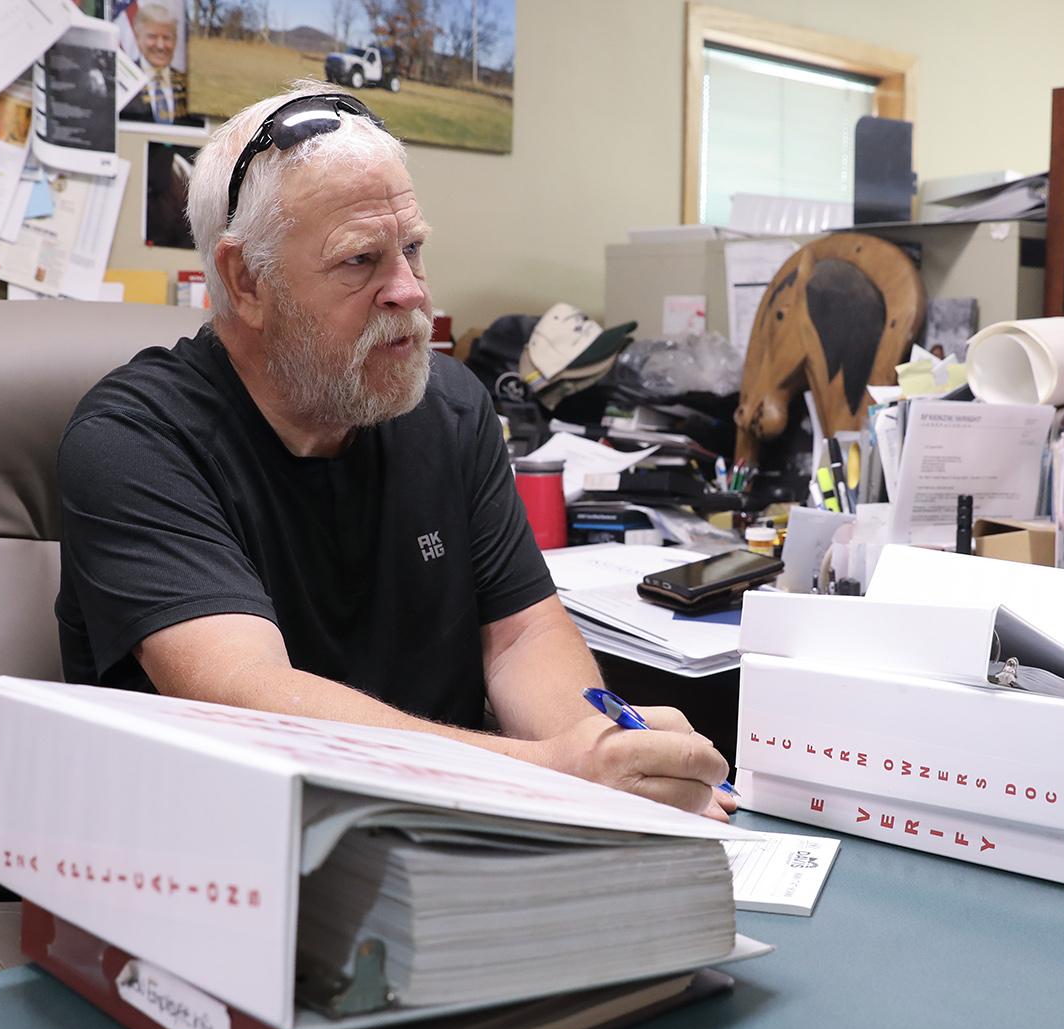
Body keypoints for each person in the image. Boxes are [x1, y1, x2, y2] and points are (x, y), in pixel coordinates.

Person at [55, 83, 734, 821]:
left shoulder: (446, 404)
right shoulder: (133, 442)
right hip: (218, 862)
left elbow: (521, 634)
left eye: (412, 248)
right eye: (360, 261)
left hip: (437, 839)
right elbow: (252, 700)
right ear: (247, 280)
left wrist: (601, 756)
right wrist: (547, 772)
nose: (411, 292)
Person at [120, 3, 188, 125]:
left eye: (167, 38)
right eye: (152, 37)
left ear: (176, 41)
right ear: (138, 38)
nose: (161, 46)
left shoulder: (188, 86)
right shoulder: (121, 80)